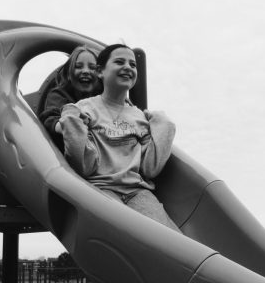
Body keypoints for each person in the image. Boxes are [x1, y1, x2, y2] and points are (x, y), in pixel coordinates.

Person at [59, 43, 180, 232]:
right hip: (100, 189)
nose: (128, 67)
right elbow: (84, 165)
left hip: (136, 191)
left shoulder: (139, 116)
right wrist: (72, 122)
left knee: (168, 237)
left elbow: (150, 168)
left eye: (133, 64)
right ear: (100, 71)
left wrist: (165, 125)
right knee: (122, 231)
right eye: (119, 62)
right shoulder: (85, 108)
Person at [37, 45, 101, 151]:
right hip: (66, 153)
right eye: (78, 66)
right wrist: (67, 127)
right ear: (69, 74)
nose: (85, 71)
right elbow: (50, 117)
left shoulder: (102, 98)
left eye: (92, 67)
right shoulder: (58, 95)